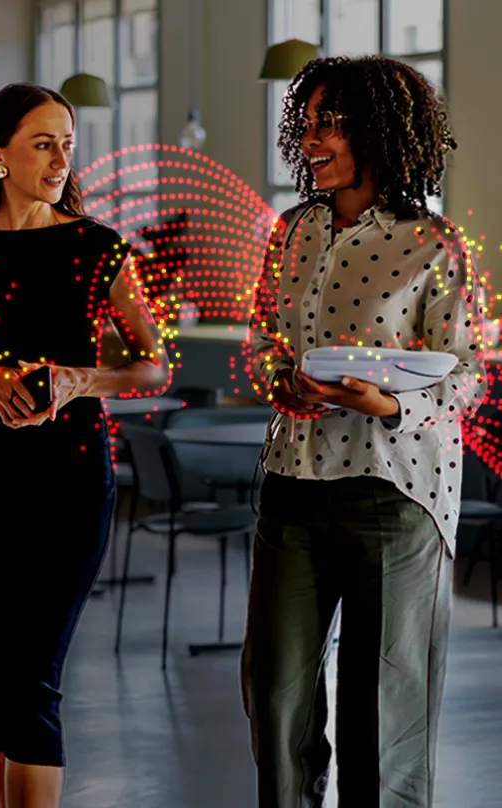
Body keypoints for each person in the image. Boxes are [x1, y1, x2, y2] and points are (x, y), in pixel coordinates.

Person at [242, 56, 487, 808]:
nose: (311, 139)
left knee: (382, 717)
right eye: (308, 123)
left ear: (379, 133)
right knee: (275, 701)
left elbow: (468, 374)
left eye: (332, 125)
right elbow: (262, 341)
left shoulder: (433, 244)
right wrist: (279, 379)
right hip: (291, 482)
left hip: (395, 492)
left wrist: (388, 406)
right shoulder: (290, 231)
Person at [0, 83, 169, 808]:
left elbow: (153, 365)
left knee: (32, 673)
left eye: (67, 143)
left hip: (73, 478)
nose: (61, 159)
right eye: (43, 144)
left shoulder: (100, 249)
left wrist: (83, 379)